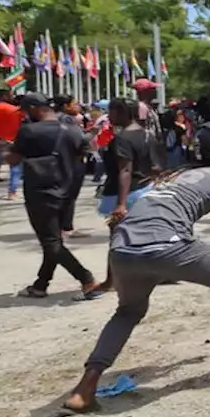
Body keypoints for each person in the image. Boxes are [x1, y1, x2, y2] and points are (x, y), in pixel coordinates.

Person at [60, 120, 210, 415]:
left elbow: (131, 222)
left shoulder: (175, 175)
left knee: (127, 312)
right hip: (168, 245)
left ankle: (84, 390)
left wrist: (110, 277)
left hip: (123, 248)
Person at [3, 93, 102, 300]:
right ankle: (41, 284)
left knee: (50, 242)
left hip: (41, 192)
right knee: (53, 240)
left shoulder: (28, 131)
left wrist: (4, 150)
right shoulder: (71, 129)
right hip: (66, 191)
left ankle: (86, 279)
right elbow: (83, 152)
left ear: (33, 109)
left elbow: (13, 160)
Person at [94, 98, 158, 293]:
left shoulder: (122, 139)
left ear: (121, 112)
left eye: (111, 112)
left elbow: (125, 171)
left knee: (117, 239)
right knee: (141, 236)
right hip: (145, 189)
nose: (108, 116)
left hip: (124, 193)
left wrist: (121, 204)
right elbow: (157, 167)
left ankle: (111, 281)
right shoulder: (148, 134)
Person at [53, 95, 88, 239]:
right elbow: (79, 141)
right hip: (71, 163)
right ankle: (66, 227)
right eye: (74, 104)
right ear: (66, 106)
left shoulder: (55, 119)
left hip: (60, 162)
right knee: (69, 196)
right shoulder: (66, 120)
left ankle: (61, 226)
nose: (77, 107)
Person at [133, 78, 166, 168]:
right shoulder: (141, 107)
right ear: (144, 92)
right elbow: (141, 129)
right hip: (147, 149)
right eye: (152, 89)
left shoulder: (148, 107)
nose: (155, 91)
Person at [0, 88, 22, 199]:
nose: (12, 97)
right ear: (4, 97)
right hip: (11, 141)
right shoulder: (15, 110)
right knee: (15, 167)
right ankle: (12, 192)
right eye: (10, 95)